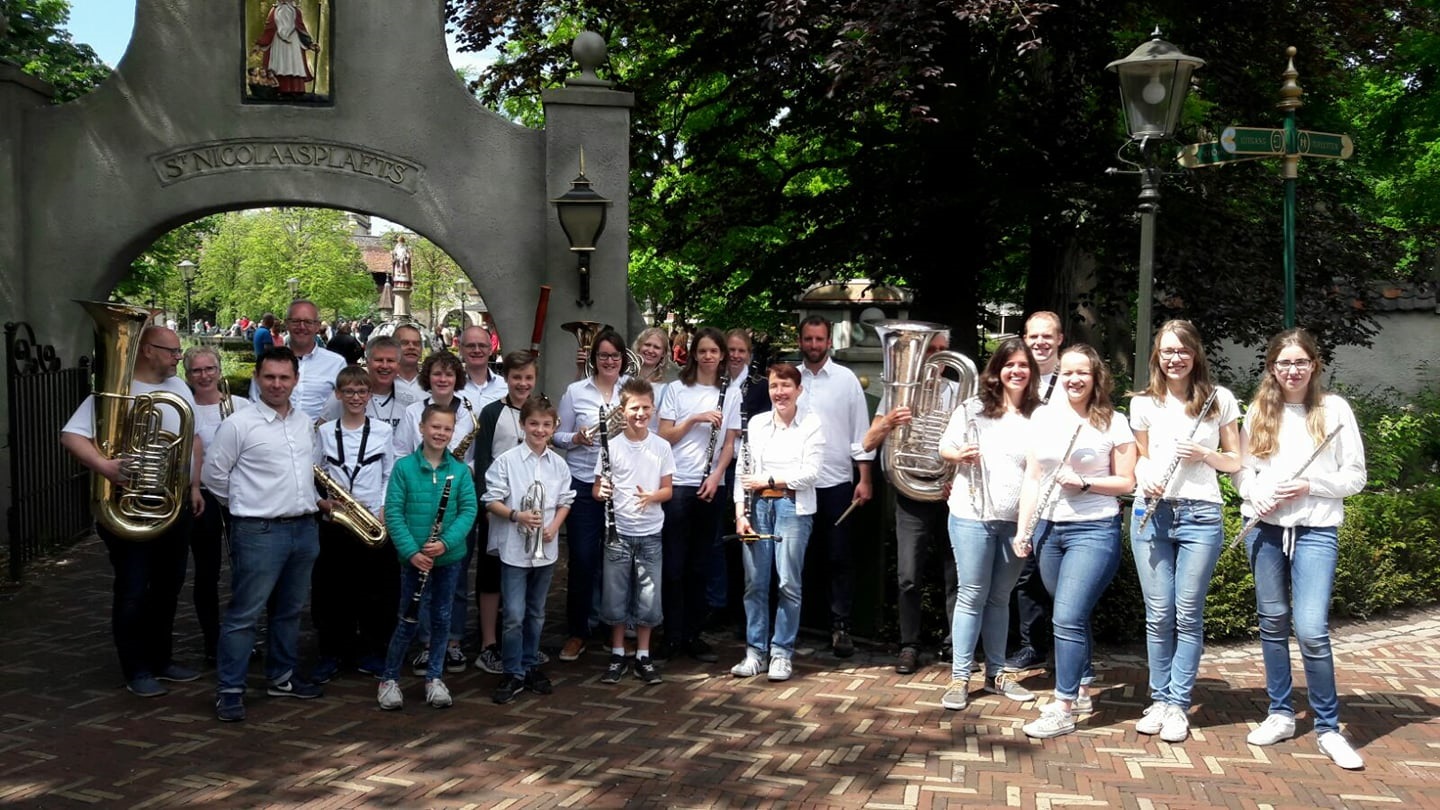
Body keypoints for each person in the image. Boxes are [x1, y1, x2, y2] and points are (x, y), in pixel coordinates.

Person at [1235, 328, 1367, 770]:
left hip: (1315, 530)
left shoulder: (1334, 410)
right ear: (1272, 367)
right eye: (1284, 363)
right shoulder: (1258, 410)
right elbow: (1242, 473)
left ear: (1315, 365)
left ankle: (1329, 727)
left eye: (1301, 362)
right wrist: (1257, 494)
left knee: (1310, 630)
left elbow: (1355, 476)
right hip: (1265, 530)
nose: (1292, 370)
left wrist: (1311, 484)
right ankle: (1281, 712)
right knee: (1272, 623)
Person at [60, 325, 204, 698]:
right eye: (172, 350)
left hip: (173, 505)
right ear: (146, 351)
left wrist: (193, 485)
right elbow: (71, 435)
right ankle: (135, 668)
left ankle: (161, 659)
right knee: (133, 590)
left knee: (169, 587)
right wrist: (105, 466)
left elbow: (193, 439)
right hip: (130, 507)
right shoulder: (114, 391)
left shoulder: (179, 388)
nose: (178, 357)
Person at [1013, 344, 1136, 739]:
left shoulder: (1114, 421)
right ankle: (1082, 683)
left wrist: (1085, 482)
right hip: (1050, 528)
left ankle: (1063, 706)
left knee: (1065, 616)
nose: (1074, 379)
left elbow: (1126, 482)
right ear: (1058, 376)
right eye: (1067, 372)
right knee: (1071, 614)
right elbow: (1033, 477)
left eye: (1082, 372)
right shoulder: (1044, 417)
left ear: (1096, 376)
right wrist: (1023, 528)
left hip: (1094, 529)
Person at [1128, 321, 1241, 743]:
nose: (1175, 358)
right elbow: (1136, 458)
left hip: (1201, 514)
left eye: (1182, 350)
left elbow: (1236, 461)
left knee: (1187, 613)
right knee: (1158, 615)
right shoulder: (1143, 403)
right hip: (1152, 512)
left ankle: (1178, 703)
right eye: (1167, 351)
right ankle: (1158, 700)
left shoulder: (1218, 399)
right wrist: (1145, 476)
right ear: (1157, 355)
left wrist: (1206, 454)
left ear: (1196, 354)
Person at [204, 347, 326, 722]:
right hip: (258, 530)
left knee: (289, 611)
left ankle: (282, 676)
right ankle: (230, 689)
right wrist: (247, 505)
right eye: (270, 377)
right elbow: (214, 476)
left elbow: (314, 469)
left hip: (303, 528)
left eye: (284, 377)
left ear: (295, 380)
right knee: (245, 613)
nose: (277, 384)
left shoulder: (305, 423)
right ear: (258, 378)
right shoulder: (239, 424)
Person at [934, 337, 1042, 711]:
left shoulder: (1039, 415)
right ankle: (960, 677)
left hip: (1015, 521)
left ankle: (996, 673)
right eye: (1009, 364)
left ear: (1032, 372)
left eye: (1023, 365)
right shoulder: (972, 408)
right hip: (971, 514)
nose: (1016, 371)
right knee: (971, 594)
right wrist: (959, 455)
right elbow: (944, 447)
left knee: (1000, 598)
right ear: (996, 370)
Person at [862, 328, 958, 675]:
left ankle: (954, 644)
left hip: (950, 493)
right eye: (929, 349)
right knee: (907, 576)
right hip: (911, 493)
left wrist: (954, 480)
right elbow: (867, 443)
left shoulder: (960, 392)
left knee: (955, 576)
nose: (935, 355)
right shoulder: (896, 394)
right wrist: (888, 422)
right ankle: (909, 644)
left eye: (941, 348)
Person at [376, 404, 477, 710]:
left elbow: (468, 511)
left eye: (447, 429)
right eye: (435, 427)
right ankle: (389, 679)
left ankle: (434, 677)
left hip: (447, 559)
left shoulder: (459, 471)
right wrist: (411, 552)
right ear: (421, 427)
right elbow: (393, 513)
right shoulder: (404, 468)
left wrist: (445, 543)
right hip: (414, 561)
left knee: (443, 618)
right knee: (408, 620)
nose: (440, 433)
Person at [729, 362, 824, 682]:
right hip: (756, 508)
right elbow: (743, 473)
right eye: (774, 386)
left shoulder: (811, 424)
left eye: (786, 386)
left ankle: (782, 652)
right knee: (755, 583)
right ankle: (755, 652)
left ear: (799, 390)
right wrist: (740, 513)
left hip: (792, 508)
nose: (779, 392)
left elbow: (811, 473)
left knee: (788, 583)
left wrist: (769, 479)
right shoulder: (755, 424)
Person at [484, 398, 575, 703]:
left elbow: (565, 501)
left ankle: (529, 665)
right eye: (533, 424)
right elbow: (491, 500)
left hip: (545, 548)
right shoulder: (507, 461)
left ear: (554, 428)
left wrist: (554, 526)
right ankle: (512, 671)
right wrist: (516, 515)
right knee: (513, 614)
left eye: (546, 425)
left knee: (536, 613)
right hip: (514, 548)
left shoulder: (559, 464)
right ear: (523, 425)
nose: (540, 429)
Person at [390, 349, 476, 673]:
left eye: (449, 374)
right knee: (419, 585)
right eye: (437, 374)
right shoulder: (414, 411)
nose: (443, 379)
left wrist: (459, 468)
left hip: (454, 494)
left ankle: (452, 642)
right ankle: (425, 645)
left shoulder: (468, 410)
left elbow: (473, 458)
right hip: (420, 498)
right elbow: (400, 451)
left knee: (454, 581)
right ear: (429, 377)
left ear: (457, 379)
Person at [658, 327, 740, 662]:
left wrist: (717, 475)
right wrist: (695, 419)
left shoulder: (730, 392)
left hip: (711, 484)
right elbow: (665, 436)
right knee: (674, 564)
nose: (708, 357)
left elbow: (730, 443)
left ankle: (693, 633)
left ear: (722, 356)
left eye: (714, 351)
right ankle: (671, 635)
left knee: (700, 564)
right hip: (678, 484)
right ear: (694, 354)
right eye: (702, 351)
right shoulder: (677, 390)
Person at [794, 315, 874, 657]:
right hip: (795, 484)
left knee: (839, 557)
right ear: (800, 341)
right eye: (808, 339)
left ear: (829, 342)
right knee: (794, 558)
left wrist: (865, 478)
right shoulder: (788, 379)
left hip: (836, 482)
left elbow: (861, 433)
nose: (814, 345)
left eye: (819, 339)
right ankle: (792, 626)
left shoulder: (846, 381)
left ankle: (840, 625)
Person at [311, 366, 397, 683]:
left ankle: (373, 650)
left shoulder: (383, 432)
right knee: (332, 590)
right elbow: (316, 471)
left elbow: (389, 473)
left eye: (362, 392)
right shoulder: (324, 432)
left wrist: (385, 508)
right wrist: (321, 501)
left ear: (369, 395)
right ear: (338, 394)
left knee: (375, 590)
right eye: (349, 392)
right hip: (336, 521)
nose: (356, 397)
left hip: (371, 518)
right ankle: (332, 652)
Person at [554, 329, 632, 662]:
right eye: (603, 356)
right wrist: (577, 439)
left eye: (615, 356)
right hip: (584, 481)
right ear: (594, 359)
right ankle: (578, 630)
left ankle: (614, 625)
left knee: (619, 559)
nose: (609, 361)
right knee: (584, 558)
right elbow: (557, 434)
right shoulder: (576, 391)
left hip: (622, 483)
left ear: (623, 358)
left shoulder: (632, 391)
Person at [593, 379, 675, 685]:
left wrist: (651, 497)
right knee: (615, 595)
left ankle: (643, 653)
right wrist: (603, 491)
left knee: (649, 596)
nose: (640, 413)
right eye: (634, 408)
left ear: (653, 409)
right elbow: (596, 489)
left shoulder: (661, 446)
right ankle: (617, 651)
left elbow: (668, 490)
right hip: (618, 531)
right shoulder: (610, 446)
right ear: (622, 410)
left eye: (645, 408)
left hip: (651, 532)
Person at [470, 351, 540, 674]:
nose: (522, 383)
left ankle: (523, 642)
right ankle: (488, 643)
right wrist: (487, 503)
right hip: (498, 506)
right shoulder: (491, 412)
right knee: (490, 573)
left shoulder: (538, 412)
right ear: (506, 378)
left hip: (531, 509)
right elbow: (483, 460)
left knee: (526, 572)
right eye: (516, 377)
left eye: (528, 378)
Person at [182, 345, 252, 665]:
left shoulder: (240, 406)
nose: (204, 375)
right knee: (208, 571)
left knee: (246, 570)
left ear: (219, 370)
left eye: (209, 368)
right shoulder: (184, 409)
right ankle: (212, 641)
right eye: (197, 370)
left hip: (241, 496)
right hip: (204, 496)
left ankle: (243, 639)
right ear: (188, 375)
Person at [1006, 310, 1066, 673]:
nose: (1040, 343)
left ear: (1060, 339)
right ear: (1025, 339)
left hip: (1062, 493)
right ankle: (1032, 646)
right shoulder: (1017, 376)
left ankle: (1066, 647)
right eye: (1033, 337)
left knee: (1057, 580)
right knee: (1026, 576)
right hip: (1022, 489)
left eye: (1047, 336)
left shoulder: (1072, 376)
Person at [249, 300, 346, 422]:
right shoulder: (268, 362)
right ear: (287, 324)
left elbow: (345, 403)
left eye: (308, 322)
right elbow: (254, 403)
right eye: (295, 321)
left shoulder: (337, 363)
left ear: (317, 326)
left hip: (321, 437)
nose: (302, 327)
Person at [319, 336, 417, 430]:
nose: (384, 366)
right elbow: (323, 431)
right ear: (367, 362)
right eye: (379, 360)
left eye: (390, 361)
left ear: (399, 365)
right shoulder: (346, 394)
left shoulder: (411, 398)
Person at [252, 0, 320, 97]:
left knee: (294, 65)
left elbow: (301, 28)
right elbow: (269, 29)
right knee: (279, 65)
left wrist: (310, 44)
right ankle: (278, 88)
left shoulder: (296, 11)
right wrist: (259, 44)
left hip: (294, 43)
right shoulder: (274, 11)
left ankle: (296, 89)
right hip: (278, 43)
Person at [393, 323, 426, 401]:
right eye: (404, 343)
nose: (411, 347)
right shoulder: (382, 382)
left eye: (416, 344)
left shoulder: (431, 384)